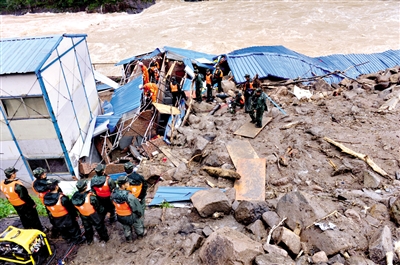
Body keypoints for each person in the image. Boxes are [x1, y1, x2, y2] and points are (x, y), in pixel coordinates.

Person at [0, 167, 44, 231]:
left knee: (23, 217)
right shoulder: (17, 186)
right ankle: (39, 230)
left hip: (15, 204)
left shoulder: (2, 183)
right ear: (12, 175)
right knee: (33, 217)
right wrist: (32, 203)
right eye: (15, 173)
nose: (15, 174)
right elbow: (24, 197)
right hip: (24, 205)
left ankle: (27, 228)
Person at [44, 179, 84, 244]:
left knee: (62, 230)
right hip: (67, 217)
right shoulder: (62, 198)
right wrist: (75, 215)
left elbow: (48, 210)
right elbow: (70, 208)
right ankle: (77, 240)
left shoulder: (46, 198)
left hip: (56, 218)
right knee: (73, 228)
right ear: (56, 186)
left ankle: (68, 239)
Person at [72, 180, 109, 245]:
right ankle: (105, 238)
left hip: (83, 215)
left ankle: (89, 240)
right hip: (93, 215)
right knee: (99, 227)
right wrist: (103, 213)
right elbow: (99, 207)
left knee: (87, 228)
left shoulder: (74, 197)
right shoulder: (91, 197)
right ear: (86, 187)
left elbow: (74, 208)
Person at [111, 176, 145, 242]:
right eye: (127, 182)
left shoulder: (113, 194)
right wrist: (140, 214)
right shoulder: (129, 196)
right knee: (137, 223)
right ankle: (140, 235)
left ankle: (129, 239)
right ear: (123, 185)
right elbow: (136, 208)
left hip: (120, 216)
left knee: (126, 227)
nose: (128, 183)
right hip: (130, 216)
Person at [32, 167, 60, 237]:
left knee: (51, 217)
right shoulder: (48, 184)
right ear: (41, 175)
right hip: (55, 202)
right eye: (44, 173)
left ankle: (55, 231)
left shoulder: (35, 184)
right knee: (58, 217)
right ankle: (57, 231)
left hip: (47, 203)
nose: (45, 173)